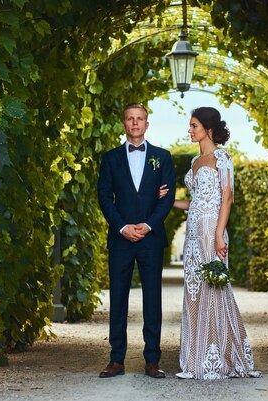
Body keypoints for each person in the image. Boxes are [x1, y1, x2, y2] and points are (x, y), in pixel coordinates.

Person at [162, 106, 262, 379]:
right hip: (194, 231)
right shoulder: (194, 163)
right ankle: (194, 362)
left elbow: (227, 197)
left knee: (215, 289)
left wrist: (219, 234)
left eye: (194, 125)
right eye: (190, 125)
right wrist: (167, 200)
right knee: (193, 292)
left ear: (208, 129)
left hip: (211, 231)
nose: (190, 130)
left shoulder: (222, 157)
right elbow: (194, 203)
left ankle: (221, 359)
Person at [96, 103, 176, 379]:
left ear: (146, 124)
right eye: (130, 119)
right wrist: (122, 227)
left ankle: (152, 360)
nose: (135, 123)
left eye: (139, 118)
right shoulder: (110, 158)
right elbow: (104, 197)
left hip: (151, 239)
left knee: (152, 300)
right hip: (121, 239)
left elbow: (168, 200)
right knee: (118, 299)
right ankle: (116, 360)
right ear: (123, 124)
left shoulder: (162, 157)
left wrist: (149, 225)